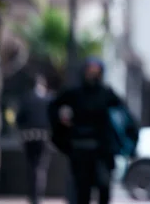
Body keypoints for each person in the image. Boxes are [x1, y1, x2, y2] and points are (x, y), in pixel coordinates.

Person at [48, 57, 137, 204]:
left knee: (103, 188)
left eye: (96, 71)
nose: (92, 74)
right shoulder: (75, 93)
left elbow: (125, 117)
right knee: (82, 190)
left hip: (103, 151)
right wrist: (63, 125)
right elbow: (54, 107)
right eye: (90, 70)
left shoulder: (107, 94)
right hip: (80, 149)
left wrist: (127, 144)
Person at [16, 75, 53, 204]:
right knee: (41, 167)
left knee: (31, 167)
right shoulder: (49, 100)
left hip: (28, 137)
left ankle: (32, 195)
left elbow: (19, 119)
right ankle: (38, 196)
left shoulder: (26, 99)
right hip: (44, 137)